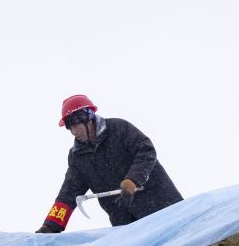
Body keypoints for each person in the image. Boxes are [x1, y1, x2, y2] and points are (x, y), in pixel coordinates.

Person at [37, 95, 182, 234]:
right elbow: (69, 192)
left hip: (163, 207)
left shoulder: (119, 129)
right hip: (128, 227)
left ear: (88, 119)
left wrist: (132, 180)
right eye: (70, 128)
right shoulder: (77, 157)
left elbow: (146, 151)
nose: (74, 132)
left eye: (76, 125)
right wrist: (51, 225)